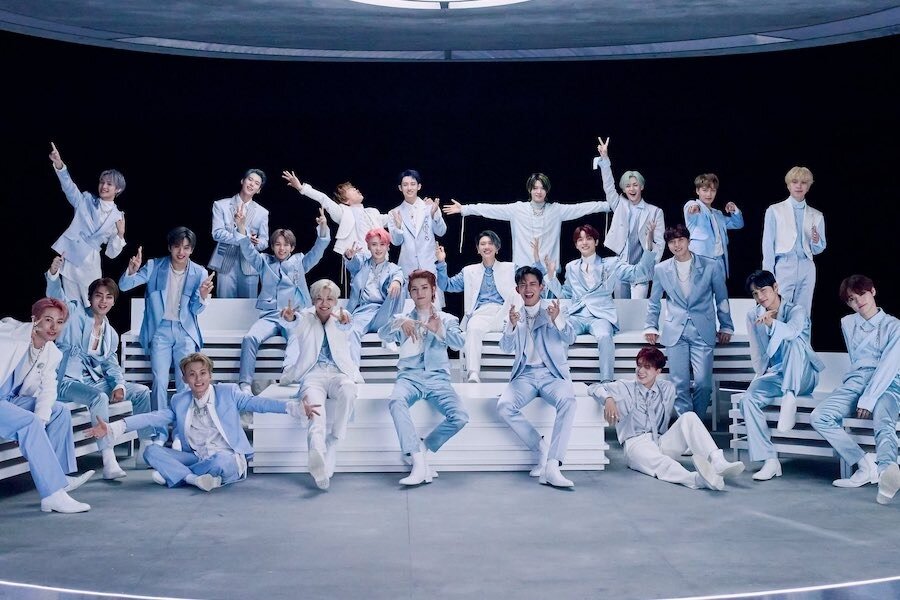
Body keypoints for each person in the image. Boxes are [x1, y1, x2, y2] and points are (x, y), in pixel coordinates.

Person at [89, 353, 313, 492]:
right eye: (192, 375)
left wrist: (293, 407)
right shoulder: (180, 400)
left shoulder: (228, 393)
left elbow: (258, 403)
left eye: (203, 373)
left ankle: (176, 474)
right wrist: (115, 427)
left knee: (220, 462)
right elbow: (153, 417)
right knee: (151, 452)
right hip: (196, 457)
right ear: (185, 379)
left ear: (210, 375)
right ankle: (193, 478)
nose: (198, 379)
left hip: (227, 456)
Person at [47, 257, 152, 477]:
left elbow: (111, 364)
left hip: (95, 381)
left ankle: (146, 449)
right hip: (67, 380)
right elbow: (57, 300)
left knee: (142, 392)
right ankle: (108, 459)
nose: (103, 301)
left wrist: (119, 385)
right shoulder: (75, 312)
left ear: (113, 302)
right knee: (99, 398)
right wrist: (54, 276)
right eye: (98, 296)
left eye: (108, 297)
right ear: (90, 298)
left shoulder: (110, 333)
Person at [589, 347, 745, 490]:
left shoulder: (667, 388)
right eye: (639, 365)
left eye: (647, 367)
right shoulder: (625, 387)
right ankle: (697, 479)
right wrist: (608, 398)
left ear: (658, 371)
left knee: (689, 417)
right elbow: (593, 387)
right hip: (636, 444)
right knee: (661, 463)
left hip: (661, 441)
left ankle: (717, 461)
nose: (641, 371)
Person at [810, 275, 900, 504]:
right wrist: (858, 388)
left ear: (873, 291)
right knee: (819, 416)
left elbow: (889, 366)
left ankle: (886, 472)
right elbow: (856, 359)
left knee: (883, 418)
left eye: (862, 294)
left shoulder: (894, 326)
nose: (859, 301)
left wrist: (869, 398)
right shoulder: (848, 323)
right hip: (856, 381)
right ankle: (864, 464)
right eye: (851, 299)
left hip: (888, 382)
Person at [1, 298, 97, 512]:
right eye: (48, 320)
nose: (54, 327)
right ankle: (53, 493)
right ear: (34, 320)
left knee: (58, 411)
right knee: (29, 422)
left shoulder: (51, 352)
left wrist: (41, 421)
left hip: (10, 400)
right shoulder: (9, 335)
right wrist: (34, 424)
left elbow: (49, 390)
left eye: (59, 322)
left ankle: (59, 476)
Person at [378, 270, 468, 486]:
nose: (420, 293)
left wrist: (440, 330)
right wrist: (400, 323)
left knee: (460, 417)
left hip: (438, 379)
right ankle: (417, 461)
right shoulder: (403, 318)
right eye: (415, 289)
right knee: (396, 401)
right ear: (410, 293)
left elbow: (459, 343)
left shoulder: (446, 318)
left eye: (424, 288)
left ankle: (423, 448)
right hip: (409, 377)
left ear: (433, 290)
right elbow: (382, 334)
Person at [118, 227, 214, 430]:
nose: (181, 252)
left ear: (192, 250)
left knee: (184, 382)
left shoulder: (200, 272)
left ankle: (182, 430)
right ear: (170, 247)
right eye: (177, 246)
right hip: (160, 331)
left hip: (185, 332)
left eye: (186, 247)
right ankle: (159, 431)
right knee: (160, 381)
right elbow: (124, 286)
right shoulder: (155, 266)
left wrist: (203, 296)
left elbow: (196, 310)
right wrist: (132, 271)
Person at [545, 223, 657, 383]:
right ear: (576, 245)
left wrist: (648, 245)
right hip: (577, 316)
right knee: (560, 333)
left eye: (589, 238)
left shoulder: (611, 263)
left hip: (601, 317)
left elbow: (638, 273)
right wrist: (551, 276)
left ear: (596, 242)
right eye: (580, 240)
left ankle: (606, 382)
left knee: (605, 336)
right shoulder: (571, 267)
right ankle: (558, 380)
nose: (584, 242)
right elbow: (565, 294)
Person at [741, 270, 824, 481]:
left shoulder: (796, 310)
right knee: (747, 399)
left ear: (776, 288)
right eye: (755, 293)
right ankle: (770, 460)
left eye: (763, 290)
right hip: (777, 374)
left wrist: (772, 324)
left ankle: (789, 396)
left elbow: (792, 331)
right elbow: (756, 350)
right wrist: (759, 377)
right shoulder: (753, 315)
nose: (760, 297)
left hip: (803, 375)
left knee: (793, 341)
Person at [498, 266, 577, 488]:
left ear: (542, 287)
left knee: (569, 402)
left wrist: (557, 319)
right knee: (504, 406)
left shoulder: (553, 309)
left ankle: (552, 465)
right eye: (523, 284)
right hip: (525, 376)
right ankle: (541, 447)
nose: (528, 288)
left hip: (552, 374)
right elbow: (505, 347)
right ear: (517, 289)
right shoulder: (514, 314)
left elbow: (570, 338)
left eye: (533, 284)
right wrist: (511, 325)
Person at [644, 224, 734, 417]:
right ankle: (686, 426)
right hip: (675, 332)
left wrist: (726, 326)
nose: (677, 245)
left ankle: (697, 424)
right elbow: (654, 302)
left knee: (703, 383)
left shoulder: (711, 266)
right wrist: (651, 326)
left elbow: (722, 298)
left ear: (688, 241)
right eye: (672, 242)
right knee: (679, 384)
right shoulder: (661, 269)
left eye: (680, 240)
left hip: (703, 331)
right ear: (668, 245)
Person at [281, 279, 362, 490]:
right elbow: (293, 323)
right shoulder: (305, 317)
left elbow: (347, 326)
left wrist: (344, 321)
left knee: (349, 389)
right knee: (315, 412)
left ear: (336, 301)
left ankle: (333, 440)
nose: (324, 304)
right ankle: (317, 456)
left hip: (338, 374)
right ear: (313, 300)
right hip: (313, 375)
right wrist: (289, 318)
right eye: (319, 299)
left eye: (329, 299)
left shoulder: (342, 315)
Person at [237, 214, 330, 393]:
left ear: (292, 247)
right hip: (270, 316)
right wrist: (241, 227)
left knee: (296, 338)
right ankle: (245, 384)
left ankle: (289, 376)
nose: (282, 248)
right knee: (250, 338)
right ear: (272, 246)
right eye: (278, 244)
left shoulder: (299, 262)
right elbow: (247, 249)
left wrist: (324, 227)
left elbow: (318, 249)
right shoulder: (264, 262)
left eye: (286, 245)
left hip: (293, 316)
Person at [443, 171, 612, 269]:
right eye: (535, 188)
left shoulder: (556, 210)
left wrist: (609, 206)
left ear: (547, 190)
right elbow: (491, 209)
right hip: (522, 271)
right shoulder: (517, 209)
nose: (539, 191)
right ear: (530, 190)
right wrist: (465, 209)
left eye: (542, 188)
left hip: (549, 272)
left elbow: (582, 208)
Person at [48, 141, 127, 305]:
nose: (104, 186)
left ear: (118, 189)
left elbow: (111, 254)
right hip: (71, 257)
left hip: (90, 263)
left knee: (92, 304)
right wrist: (60, 166)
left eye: (109, 184)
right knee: (69, 305)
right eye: (102, 182)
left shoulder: (117, 216)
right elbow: (69, 188)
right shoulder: (86, 199)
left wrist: (120, 235)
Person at [436, 230, 518, 383]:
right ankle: (473, 373)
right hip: (481, 313)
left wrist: (538, 262)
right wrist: (441, 263)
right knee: (473, 328)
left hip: (505, 313)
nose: (486, 247)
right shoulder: (469, 271)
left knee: (516, 303)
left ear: (497, 248)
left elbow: (530, 279)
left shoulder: (511, 268)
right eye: (483, 244)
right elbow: (446, 285)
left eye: (490, 243)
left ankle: (520, 372)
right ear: (478, 249)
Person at [593, 137, 665, 298]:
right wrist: (605, 160)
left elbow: (660, 242)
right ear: (624, 189)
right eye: (627, 186)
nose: (631, 189)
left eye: (635, 185)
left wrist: (651, 265)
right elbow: (608, 186)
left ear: (642, 186)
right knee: (621, 307)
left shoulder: (655, 211)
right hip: (622, 265)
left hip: (642, 267)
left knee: (638, 307)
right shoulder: (620, 204)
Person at [761, 166, 825, 317]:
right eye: (795, 182)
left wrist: (816, 241)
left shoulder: (816, 215)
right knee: (779, 308)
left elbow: (818, 248)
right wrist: (767, 275)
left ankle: (802, 334)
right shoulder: (775, 210)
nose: (799, 186)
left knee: (803, 311)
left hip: (806, 265)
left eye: (804, 182)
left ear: (808, 187)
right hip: (784, 265)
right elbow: (768, 244)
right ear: (788, 185)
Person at [282, 170, 389, 259]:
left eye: (355, 188)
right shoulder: (343, 213)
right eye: (351, 189)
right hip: (361, 261)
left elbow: (391, 218)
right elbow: (324, 199)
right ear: (345, 200)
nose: (356, 189)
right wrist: (301, 188)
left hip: (381, 260)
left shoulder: (372, 212)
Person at [344, 228, 405, 364]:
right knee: (352, 331)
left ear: (388, 247)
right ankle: (353, 370)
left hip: (383, 313)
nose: (378, 248)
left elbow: (399, 274)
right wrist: (349, 257)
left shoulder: (392, 268)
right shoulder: (361, 264)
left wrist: (396, 282)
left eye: (382, 244)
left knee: (399, 286)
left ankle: (389, 333)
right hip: (363, 312)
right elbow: (353, 264)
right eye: (374, 244)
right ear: (368, 246)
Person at [208, 169, 270, 298]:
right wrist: (244, 238)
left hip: (250, 265)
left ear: (259, 190)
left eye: (257, 183)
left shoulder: (263, 212)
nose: (252, 184)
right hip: (225, 264)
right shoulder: (221, 205)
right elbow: (217, 233)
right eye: (250, 179)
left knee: (247, 307)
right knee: (224, 306)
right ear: (242, 181)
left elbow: (264, 242)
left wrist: (256, 243)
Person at [388, 170, 446, 303]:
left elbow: (441, 232)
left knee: (433, 307)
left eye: (413, 184)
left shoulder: (429, 207)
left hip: (429, 264)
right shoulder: (394, 212)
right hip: (408, 267)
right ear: (400, 188)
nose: (409, 188)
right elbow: (396, 242)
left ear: (419, 186)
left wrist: (435, 214)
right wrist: (398, 227)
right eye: (405, 185)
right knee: (410, 307)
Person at [683, 173, 744, 278]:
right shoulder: (695, 208)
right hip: (701, 262)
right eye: (705, 190)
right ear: (697, 191)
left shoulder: (718, 214)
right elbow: (690, 206)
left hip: (719, 261)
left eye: (713, 190)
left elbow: (738, 224)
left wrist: (735, 210)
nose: (709, 194)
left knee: (720, 289)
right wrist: (694, 206)